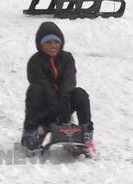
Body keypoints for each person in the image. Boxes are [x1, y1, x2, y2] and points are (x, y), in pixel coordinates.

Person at [21, 22, 94, 153]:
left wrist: (64, 107)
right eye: (48, 42)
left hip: (64, 105)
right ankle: (31, 131)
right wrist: (55, 107)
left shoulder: (67, 58)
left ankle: (86, 133)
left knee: (79, 93)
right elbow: (41, 83)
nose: (53, 45)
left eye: (56, 42)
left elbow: (69, 79)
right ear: (40, 44)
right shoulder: (35, 61)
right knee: (35, 90)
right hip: (44, 108)